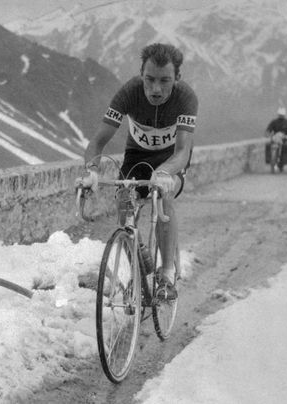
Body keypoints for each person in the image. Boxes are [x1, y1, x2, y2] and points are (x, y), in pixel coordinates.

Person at [78, 43, 198, 300]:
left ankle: (166, 275)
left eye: (165, 81)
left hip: (172, 158)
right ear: (141, 74)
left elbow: (183, 151)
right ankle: (140, 259)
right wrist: (92, 172)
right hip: (137, 155)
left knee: (163, 198)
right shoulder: (129, 93)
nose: (156, 89)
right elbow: (97, 143)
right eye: (149, 79)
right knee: (124, 206)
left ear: (177, 78)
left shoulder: (186, 98)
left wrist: (165, 172)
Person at [265, 107, 287, 172]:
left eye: (282, 115)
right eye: (280, 115)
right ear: (278, 115)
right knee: (268, 145)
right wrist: (268, 134)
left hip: (284, 139)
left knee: (286, 146)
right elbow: (268, 129)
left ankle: (284, 161)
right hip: (275, 138)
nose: (281, 117)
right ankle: (269, 160)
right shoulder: (274, 122)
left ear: (284, 115)